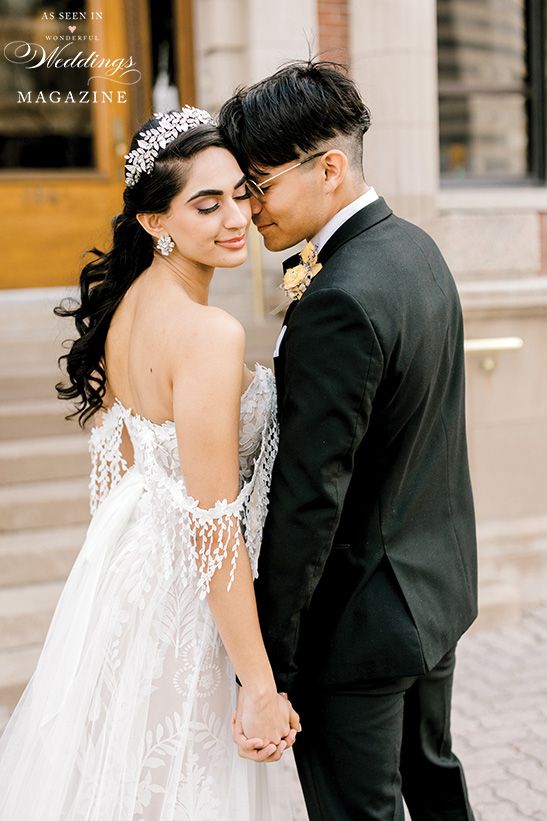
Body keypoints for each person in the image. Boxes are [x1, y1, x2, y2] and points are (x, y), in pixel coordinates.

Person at [0, 107, 299, 821]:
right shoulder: (206, 333)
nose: (235, 217)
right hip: (184, 597)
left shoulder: (128, 306)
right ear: (154, 221)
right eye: (206, 203)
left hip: (127, 573)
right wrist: (258, 686)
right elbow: (212, 524)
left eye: (240, 193)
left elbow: (124, 471)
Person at [219, 60, 478, 820]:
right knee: (433, 788)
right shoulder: (413, 249)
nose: (249, 207)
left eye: (258, 185)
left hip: (358, 630)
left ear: (328, 168)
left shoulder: (337, 298)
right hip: (433, 595)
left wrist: (268, 663)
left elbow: (310, 499)